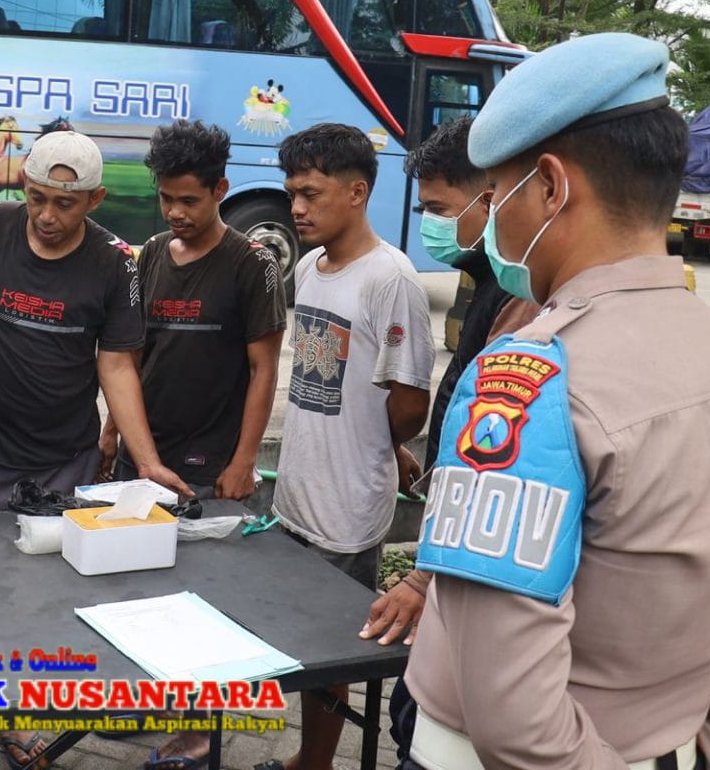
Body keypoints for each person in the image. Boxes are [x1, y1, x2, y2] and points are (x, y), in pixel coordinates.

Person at [402, 33, 710, 770]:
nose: (491, 222)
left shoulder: (527, 383)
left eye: (495, 196)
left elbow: (513, 713)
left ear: (551, 188)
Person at [0, 129, 192, 770]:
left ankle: (14, 720)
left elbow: (118, 364)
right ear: (24, 189)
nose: (47, 216)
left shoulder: (114, 263)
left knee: (34, 596)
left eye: (65, 204)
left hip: (61, 460)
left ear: (94, 199)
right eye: (38, 198)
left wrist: (146, 460)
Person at [98, 119, 286, 770]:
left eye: (190, 201)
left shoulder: (250, 264)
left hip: (212, 467)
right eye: (166, 199)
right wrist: (112, 431)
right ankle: (155, 709)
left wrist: (242, 462)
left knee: (205, 605)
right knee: (141, 596)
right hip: (141, 459)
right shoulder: (149, 256)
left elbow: (265, 368)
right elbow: (131, 354)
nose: (176, 213)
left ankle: (199, 734)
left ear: (221, 190)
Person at [269, 122, 433, 770]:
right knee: (297, 643)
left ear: (358, 190)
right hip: (297, 491)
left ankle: (312, 763)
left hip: (347, 506)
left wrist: (382, 444)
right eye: (292, 194)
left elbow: (410, 401)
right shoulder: (310, 266)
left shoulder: (391, 280)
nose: (297, 209)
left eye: (310, 193)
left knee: (330, 649)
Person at [362, 117, 537, 648]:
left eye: (438, 210)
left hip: (466, 558)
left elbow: (494, 454)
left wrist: (425, 574)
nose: (429, 225)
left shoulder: (521, 296)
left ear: (490, 201)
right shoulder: (489, 280)